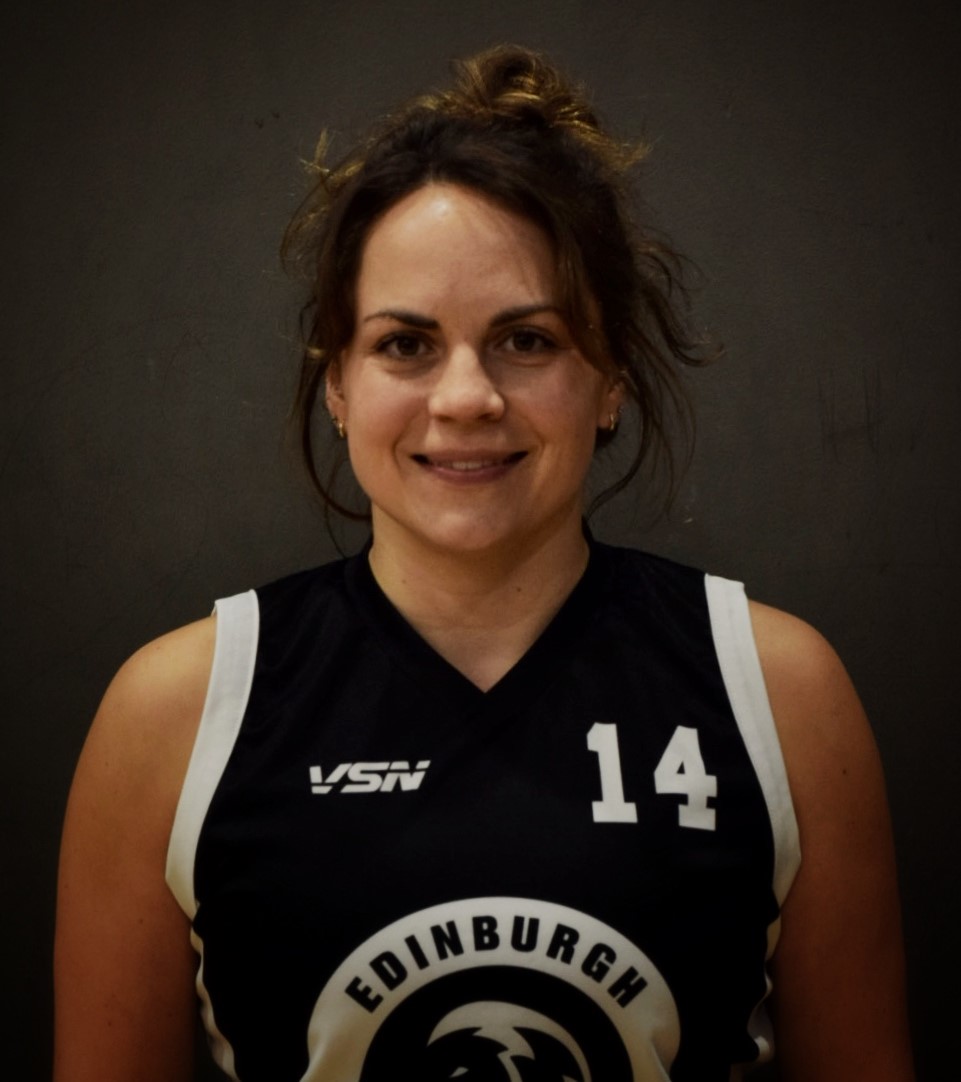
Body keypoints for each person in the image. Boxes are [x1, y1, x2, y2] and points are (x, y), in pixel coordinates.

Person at [54, 45, 915, 1082]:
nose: (465, 397)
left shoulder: (779, 695)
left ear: (609, 377)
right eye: (405, 345)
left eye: (527, 340)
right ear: (337, 385)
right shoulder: (173, 715)